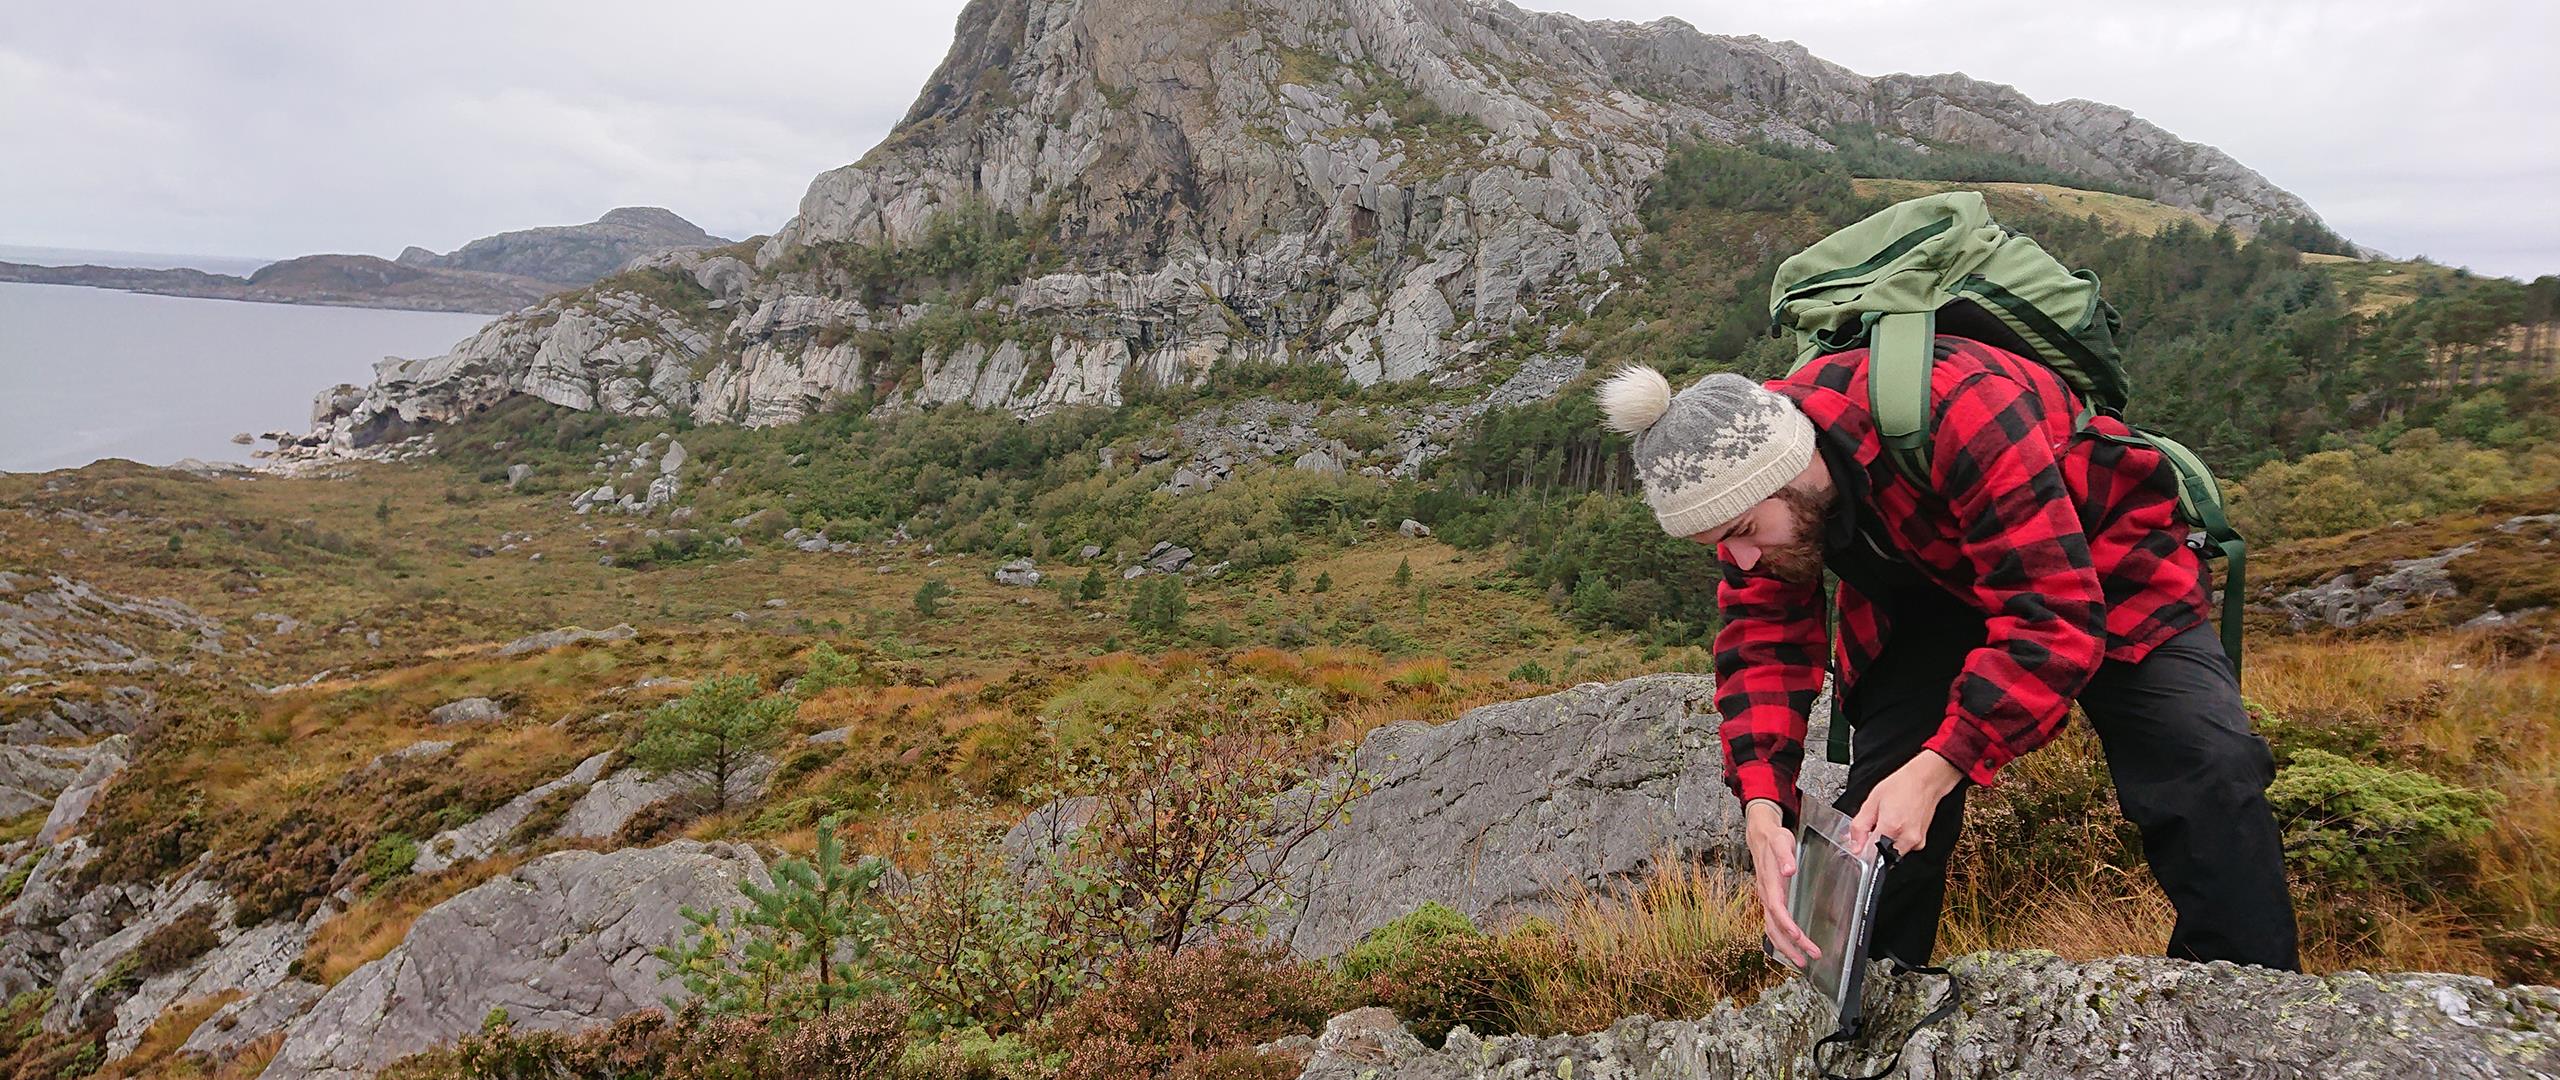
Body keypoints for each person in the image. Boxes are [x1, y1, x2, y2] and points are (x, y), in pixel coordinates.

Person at [1593, 340, 2300, 973]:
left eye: (1746, 531)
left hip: (2101, 559)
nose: (1742, 558)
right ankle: (1862, 1003)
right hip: (1928, 587)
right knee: (1874, 822)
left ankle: (2244, 993)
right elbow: (1762, 643)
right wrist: (1761, 802)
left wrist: (1939, 768)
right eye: (1720, 544)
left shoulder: (1964, 407)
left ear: (1795, 471)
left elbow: (2052, 620)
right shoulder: (1750, 492)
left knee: (2206, 764)